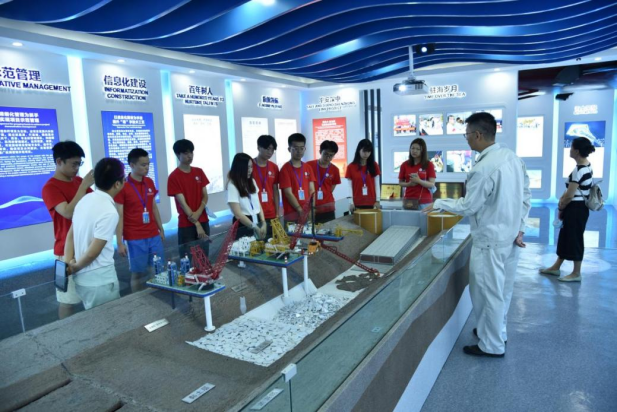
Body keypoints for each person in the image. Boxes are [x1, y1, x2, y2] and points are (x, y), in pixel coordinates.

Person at [423, 112, 531, 357]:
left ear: (478, 134)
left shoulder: (483, 168)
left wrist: (440, 203)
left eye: (467, 135)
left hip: (489, 241)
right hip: (510, 238)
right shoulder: (513, 158)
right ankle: (496, 333)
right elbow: (526, 197)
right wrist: (521, 228)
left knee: (487, 293)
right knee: (502, 291)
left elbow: (469, 206)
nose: (467, 139)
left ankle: (491, 345)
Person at [64, 158, 126, 310]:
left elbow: (70, 236)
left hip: (82, 280)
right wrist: (75, 267)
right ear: (117, 184)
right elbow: (93, 252)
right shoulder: (109, 211)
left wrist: (69, 264)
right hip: (100, 281)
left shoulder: (84, 200)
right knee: (109, 320)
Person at [42, 141, 94, 319]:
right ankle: (65, 331)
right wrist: (83, 186)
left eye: (79, 163)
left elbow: (94, 203)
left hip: (87, 246)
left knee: (92, 294)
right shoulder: (50, 187)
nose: (77, 169)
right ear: (59, 162)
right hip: (65, 251)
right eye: (74, 164)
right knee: (67, 300)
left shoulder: (78, 181)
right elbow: (67, 212)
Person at [540, 137, 595, 282]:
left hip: (575, 209)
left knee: (575, 239)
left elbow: (570, 194)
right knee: (566, 237)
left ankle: (576, 273)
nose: (569, 150)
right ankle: (556, 267)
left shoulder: (579, 170)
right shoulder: (587, 166)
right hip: (578, 209)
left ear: (577, 151)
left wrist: (561, 206)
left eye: (571, 147)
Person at [115, 148, 165, 292]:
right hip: (134, 237)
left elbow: (153, 207)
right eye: (143, 165)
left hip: (153, 234)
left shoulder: (149, 182)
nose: (147, 167)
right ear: (132, 165)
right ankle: (136, 300)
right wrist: (119, 242)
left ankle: (159, 295)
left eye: (148, 164)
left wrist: (160, 229)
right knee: (137, 273)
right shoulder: (123, 186)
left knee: (158, 268)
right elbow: (119, 215)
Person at [167, 139, 210, 257]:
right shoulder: (174, 177)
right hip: (186, 224)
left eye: (191, 152)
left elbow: (205, 196)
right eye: (186, 153)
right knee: (188, 259)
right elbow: (183, 203)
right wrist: (197, 223)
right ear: (177, 155)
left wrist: (199, 213)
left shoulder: (199, 171)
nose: (190, 156)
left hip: (203, 219)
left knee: (204, 257)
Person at [228, 153, 267, 240]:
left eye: (251, 167)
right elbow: (238, 214)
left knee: (260, 245)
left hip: (256, 219)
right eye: (247, 167)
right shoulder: (232, 186)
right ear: (240, 168)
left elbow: (258, 204)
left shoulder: (252, 181)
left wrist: (263, 222)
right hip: (243, 223)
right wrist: (254, 227)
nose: (250, 170)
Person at [279, 133, 316, 223]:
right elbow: (288, 193)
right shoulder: (285, 169)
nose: (299, 151)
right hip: (292, 214)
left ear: (305, 149)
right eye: (295, 148)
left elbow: (312, 190)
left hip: (307, 212)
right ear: (289, 149)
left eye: (301, 148)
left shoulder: (308, 167)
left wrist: (312, 208)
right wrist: (300, 210)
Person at [252, 135, 280, 239]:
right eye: (268, 149)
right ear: (259, 147)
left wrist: (277, 212)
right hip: (254, 213)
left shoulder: (274, 167)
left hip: (270, 212)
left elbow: (275, 191)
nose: (270, 152)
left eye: (272, 150)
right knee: (257, 242)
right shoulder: (250, 165)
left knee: (271, 241)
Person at [306, 140, 341, 224]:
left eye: (331, 155)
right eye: (325, 154)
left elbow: (331, 189)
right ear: (320, 152)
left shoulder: (335, 170)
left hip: (328, 208)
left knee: (329, 230)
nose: (328, 158)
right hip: (311, 207)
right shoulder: (309, 165)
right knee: (311, 230)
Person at [398, 138, 436, 210]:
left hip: (425, 201)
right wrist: (409, 184)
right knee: (407, 217)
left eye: (418, 149)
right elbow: (400, 182)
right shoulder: (404, 165)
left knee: (424, 217)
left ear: (422, 150)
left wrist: (419, 181)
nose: (414, 151)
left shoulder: (429, 165)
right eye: (412, 148)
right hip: (409, 200)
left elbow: (432, 184)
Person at [346, 139, 381, 212]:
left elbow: (377, 184)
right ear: (359, 150)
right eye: (364, 151)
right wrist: (351, 202)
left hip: (372, 203)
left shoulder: (374, 165)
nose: (366, 154)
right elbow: (349, 187)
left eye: (369, 151)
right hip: (356, 203)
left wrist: (378, 200)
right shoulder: (351, 167)